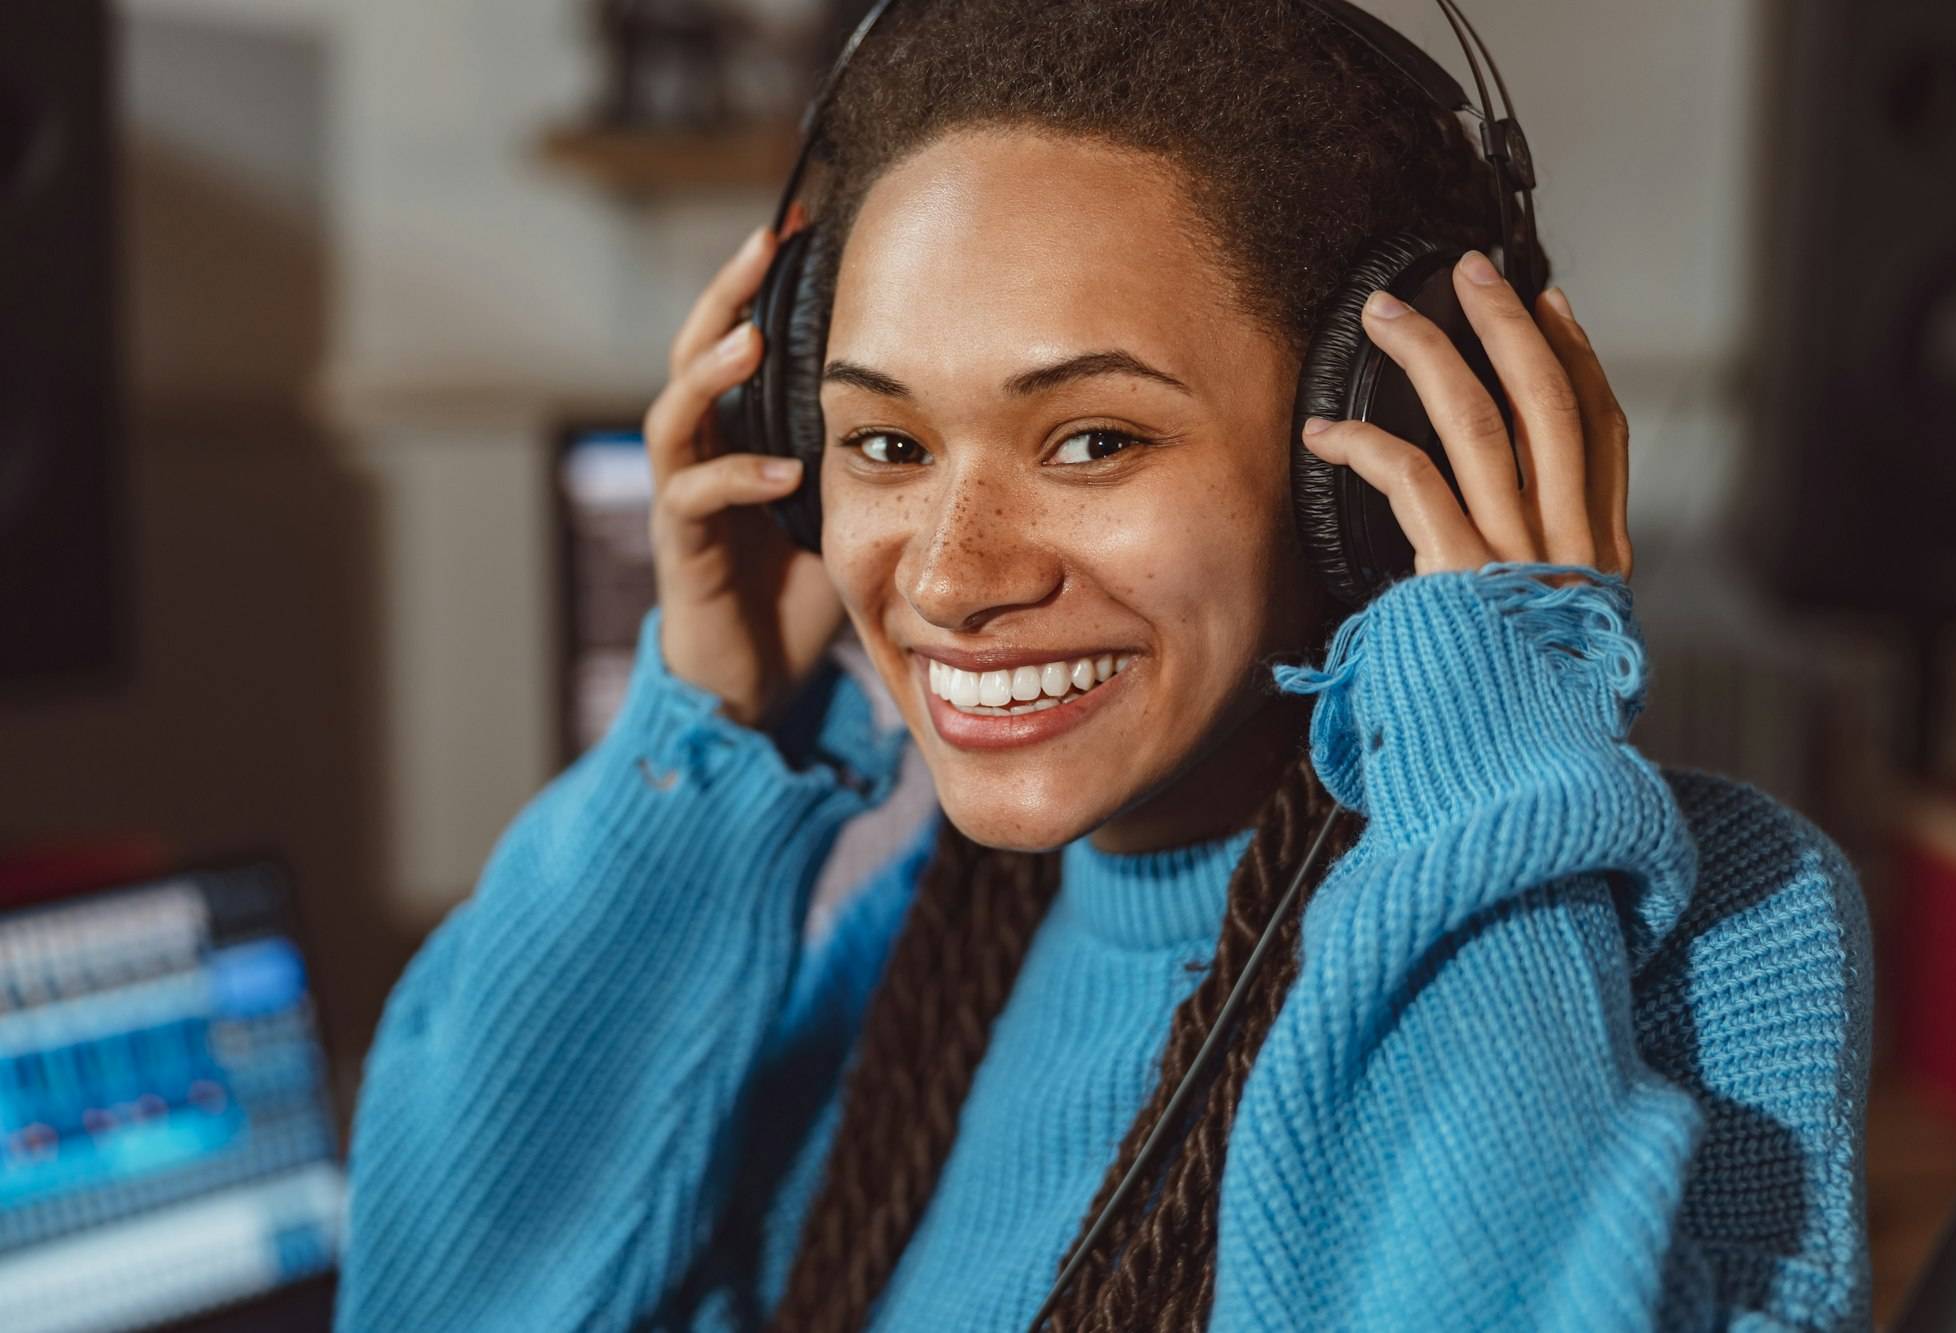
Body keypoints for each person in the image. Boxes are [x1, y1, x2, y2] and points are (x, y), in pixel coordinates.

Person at [333, 2, 1873, 1329]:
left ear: (1380, 455)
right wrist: (706, 737)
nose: (945, 574)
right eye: (883, 441)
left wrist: (1494, 711)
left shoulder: (1716, 929)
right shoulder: (926, 944)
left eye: (1093, 440)